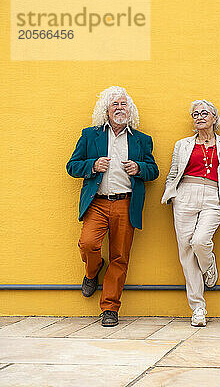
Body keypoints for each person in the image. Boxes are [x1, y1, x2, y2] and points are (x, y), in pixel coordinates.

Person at [66, 86, 159, 327]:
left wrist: (139, 168)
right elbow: (72, 166)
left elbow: (154, 171)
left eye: (123, 104)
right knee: (88, 244)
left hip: (125, 203)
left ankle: (110, 308)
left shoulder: (141, 139)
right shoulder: (90, 135)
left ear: (130, 109)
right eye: (114, 105)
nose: (119, 108)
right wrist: (93, 165)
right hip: (97, 203)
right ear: (106, 110)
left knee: (120, 257)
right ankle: (92, 271)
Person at [161, 100, 220, 327]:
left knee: (200, 241)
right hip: (185, 193)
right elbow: (173, 173)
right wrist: (173, 195)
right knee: (186, 250)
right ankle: (198, 308)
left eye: (204, 113)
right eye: (195, 114)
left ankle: (208, 264)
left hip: (215, 195)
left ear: (214, 117)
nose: (199, 117)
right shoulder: (182, 144)